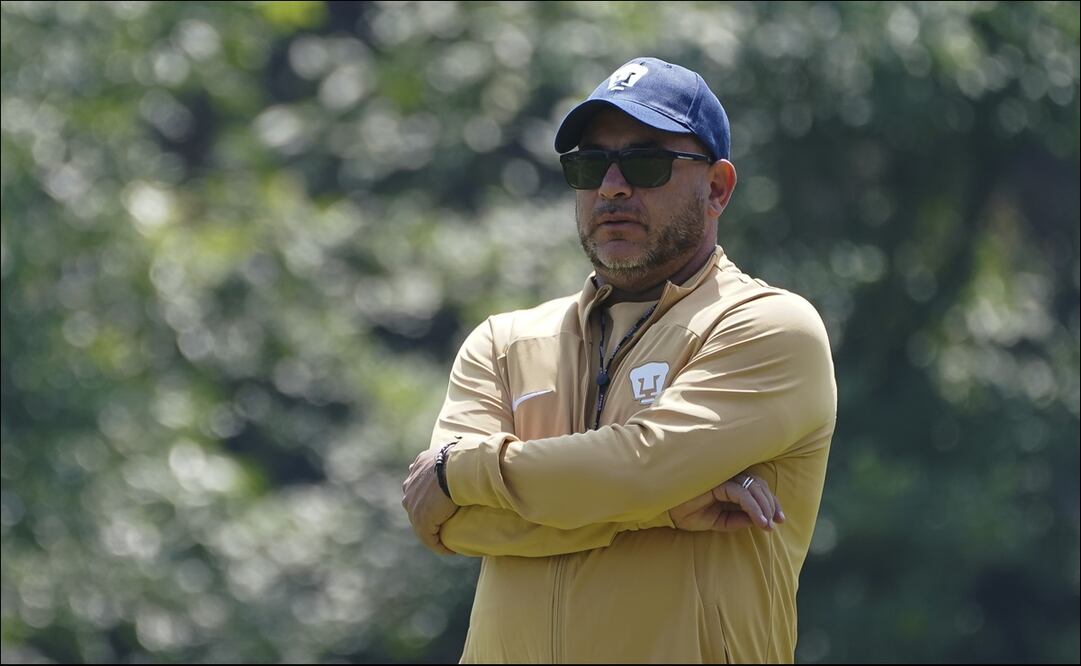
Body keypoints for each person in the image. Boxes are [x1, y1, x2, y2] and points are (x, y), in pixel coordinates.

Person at [403, 56, 837, 663]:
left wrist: (458, 471)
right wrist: (668, 506)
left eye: (644, 163)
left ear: (717, 188)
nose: (611, 187)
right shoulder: (503, 343)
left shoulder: (769, 327)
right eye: (589, 165)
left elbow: (638, 470)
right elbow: (452, 523)